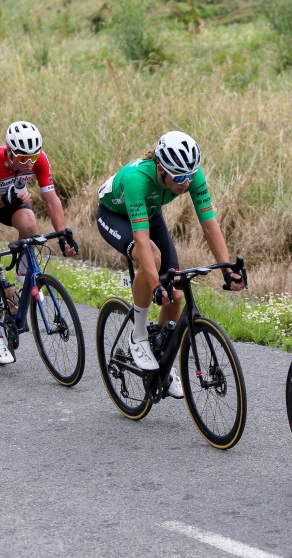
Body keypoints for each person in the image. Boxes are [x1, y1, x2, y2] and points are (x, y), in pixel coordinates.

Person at [96, 130, 244, 398]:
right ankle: (137, 337)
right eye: (178, 176)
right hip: (115, 216)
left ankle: (163, 363)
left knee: (175, 294)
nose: (185, 182)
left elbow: (210, 225)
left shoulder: (191, 176)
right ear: (161, 169)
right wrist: (154, 284)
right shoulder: (137, 180)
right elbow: (141, 242)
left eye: (190, 174)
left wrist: (227, 268)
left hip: (149, 213)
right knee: (151, 258)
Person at [0, 120, 78, 365]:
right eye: (22, 158)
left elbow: (51, 199)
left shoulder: (39, 160)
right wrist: (4, 198)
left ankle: (25, 274)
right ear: (9, 151)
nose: (29, 163)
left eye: (33, 157)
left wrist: (63, 233)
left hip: (8, 197)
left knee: (29, 224)